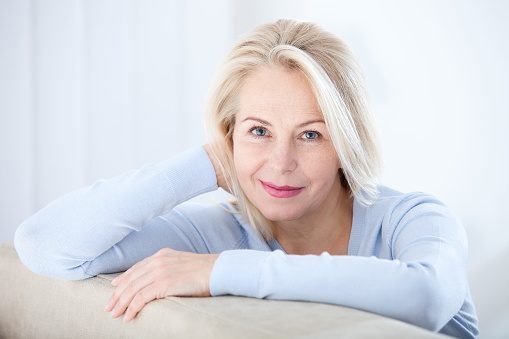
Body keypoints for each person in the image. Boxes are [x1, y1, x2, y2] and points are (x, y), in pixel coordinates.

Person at [14, 19, 478, 338]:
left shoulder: (414, 218)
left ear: (346, 144)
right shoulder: (214, 232)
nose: (281, 162)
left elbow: (427, 296)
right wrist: (207, 163)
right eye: (258, 131)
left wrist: (219, 271)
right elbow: (44, 245)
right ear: (229, 132)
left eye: (311, 135)